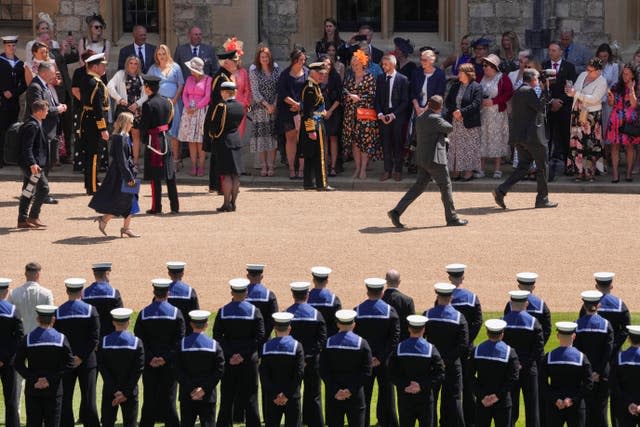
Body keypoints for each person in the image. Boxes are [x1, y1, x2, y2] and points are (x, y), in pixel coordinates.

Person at [388, 95, 469, 228]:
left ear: (428, 105)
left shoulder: (420, 118)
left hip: (422, 159)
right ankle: (452, 218)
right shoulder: (436, 119)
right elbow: (449, 128)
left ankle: (396, 212)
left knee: (417, 188)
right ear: (440, 107)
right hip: (436, 159)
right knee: (446, 186)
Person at [493, 68, 558, 209]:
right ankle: (542, 198)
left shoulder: (519, 91)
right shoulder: (528, 91)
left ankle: (501, 190)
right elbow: (541, 107)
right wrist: (546, 89)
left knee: (523, 167)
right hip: (533, 137)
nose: (538, 80)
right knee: (542, 167)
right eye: (537, 78)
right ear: (533, 79)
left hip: (521, 137)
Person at [212, 278, 265, 427]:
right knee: (251, 396)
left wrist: (231, 354)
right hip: (249, 360)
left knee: (227, 395)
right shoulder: (255, 311)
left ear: (232, 292)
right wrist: (243, 354)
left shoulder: (223, 311)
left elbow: (217, 336)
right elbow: (260, 336)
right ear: (246, 293)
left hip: (229, 361)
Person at [134, 278, 186, 427]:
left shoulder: (144, 313)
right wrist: (165, 358)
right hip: (170, 364)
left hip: (150, 364)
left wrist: (151, 357)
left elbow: (140, 340)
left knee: (149, 399)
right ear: (168, 293)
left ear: (154, 291)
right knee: (169, 399)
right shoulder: (176, 313)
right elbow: (179, 341)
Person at [15, 304, 73, 427]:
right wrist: (50, 379)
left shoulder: (28, 339)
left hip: (33, 390)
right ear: (53, 319)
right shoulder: (61, 339)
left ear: (37, 319)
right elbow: (69, 363)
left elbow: (18, 363)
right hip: (54, 390)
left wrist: (34, 379)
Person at [354, 278, 400, 427]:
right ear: (382, 292)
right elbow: (394, 337)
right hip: (385, 360)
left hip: (364, 361)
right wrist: (380, 357)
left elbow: (355, 337)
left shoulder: (357, 311)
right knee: (387, 393)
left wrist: (368, 358)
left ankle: (363, 422)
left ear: (367, 291)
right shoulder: (390, 311)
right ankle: (389, 423)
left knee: (364, 394)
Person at [54, 278, 100, 427]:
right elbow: (94, 338)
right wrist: (81, 357)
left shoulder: (58, 312)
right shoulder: (90, 310)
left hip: (66, 362)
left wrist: (71, 357)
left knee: (66, 398)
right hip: (87, 361)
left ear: (67, 291)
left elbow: (58, 339)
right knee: (89, 398)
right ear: (81, 291)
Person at [88, 112, 141, 238]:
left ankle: (123, 227)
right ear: (126, 123)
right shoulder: (119, 138)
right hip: (121, 174)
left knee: (131, 199)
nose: (132, 124)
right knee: (123, 200)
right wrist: (129, 177)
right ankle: (109, 221)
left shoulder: (124, 136)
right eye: (131, 122)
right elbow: (122, 160)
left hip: (125, 172)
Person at [424, 283, 469, 427]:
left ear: (437, 295)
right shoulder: (459, 317)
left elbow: (421, 338)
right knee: (454, 400)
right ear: (452, 297)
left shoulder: (427, 315)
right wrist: (446, 360)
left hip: (431, 364)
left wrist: (437, 360)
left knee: (430, 399)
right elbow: (463, 344)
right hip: (452, 365)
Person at [388, 314, 445, 427]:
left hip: (405, 398)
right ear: (423, 329)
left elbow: (391, 372)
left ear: (409, 328)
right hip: (425, 397)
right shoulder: (430, 349)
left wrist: (406, 384)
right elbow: (440, 373)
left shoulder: (399, 348)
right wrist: (421, 385)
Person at [320, 309, 372, 427]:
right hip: (356, 395)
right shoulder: (362, 344)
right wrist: (350, 390)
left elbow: (323, 370)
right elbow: (367, 372)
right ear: (354, 324)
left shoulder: (328, 343)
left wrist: (335, 389)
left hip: (333, 395)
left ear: (338, 324)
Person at [286, 282, 327, 427]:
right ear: (307, 295)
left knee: (293, 393)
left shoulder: (286, 314)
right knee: (314, 394)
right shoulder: (316, 314)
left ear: (293, 295)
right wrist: (308, 357)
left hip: (291, 361)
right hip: (312, 361)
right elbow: (322, 339)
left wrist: (299, 359)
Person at [447, 263, 483, 426]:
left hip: (449, 350)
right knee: (468, 385)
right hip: (467, 349)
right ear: (463, 277)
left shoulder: (444, 297)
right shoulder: (472, 298)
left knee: (450, 387)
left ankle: (449, 419)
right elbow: (477, 321)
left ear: (449, 277)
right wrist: (467, 340)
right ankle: (471, 420)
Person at [502, 290, 545, 427]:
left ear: (510, 303)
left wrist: (515, 364)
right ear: (526, 304)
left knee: (510, 407)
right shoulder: (534, 322)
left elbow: (502, 347)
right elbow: (538, 349)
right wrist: (525, 363)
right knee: (532, 407)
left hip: (509, 369)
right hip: (530, 369)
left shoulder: (503, 322)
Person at [175, 310, 225, 427]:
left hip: (187, 394)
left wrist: (191, 388)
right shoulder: (214, 345)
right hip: (207, 396)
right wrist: (203, 389)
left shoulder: (181, 344)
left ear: (191, 324)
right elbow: (219, 370)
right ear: (206, 325)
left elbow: (176, 369)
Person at [97, 308, 145, 427]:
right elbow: (138, 369)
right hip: (130, 391)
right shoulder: (136, 342)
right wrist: (125, 392)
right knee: (130, 423)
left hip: (110, 390)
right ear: (128, 322)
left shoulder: (104, 341)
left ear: (113, 322)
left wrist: (115, 390)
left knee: (107, 422)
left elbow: (103, 368)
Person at [140, 73, 179, 215]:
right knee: (170, 174)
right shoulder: (168, 102)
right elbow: (170, 121)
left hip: (154, 140)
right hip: (166, 138)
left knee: (155, 176)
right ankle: (175, 206)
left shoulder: (148, 104)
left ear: (147, 87)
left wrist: (145, 139)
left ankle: (157, 207)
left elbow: (144, 126)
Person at [541, 322, 594, 427]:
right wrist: (572, 399)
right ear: (574, 336)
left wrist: (555, 399)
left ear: (557, 336)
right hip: (576, 406)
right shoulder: (582, 358)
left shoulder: (549, 357)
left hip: (554, 406)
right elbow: (589, 384)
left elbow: (542, 383)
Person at [574, 290, 614, 427]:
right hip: (602, 374)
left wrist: (589, 373)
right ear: (599, 305)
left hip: (583, 374)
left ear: (584, 306)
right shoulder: (606, 325)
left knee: (586, 410)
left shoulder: (577, 325)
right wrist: (597, 371)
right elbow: (608, 351)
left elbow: (578, 352)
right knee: (601, 410)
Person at [470, 319, 520, 427]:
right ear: (502, 334)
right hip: (503, 402)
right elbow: (513, 377)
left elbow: (469, 376)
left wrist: (481, 395)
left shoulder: (477, 350)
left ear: (487, 333)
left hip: (482, 402)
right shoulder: (509, 352)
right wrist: (497, 396)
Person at [566, 57, 608, 181]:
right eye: (588, 69)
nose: (588, 72)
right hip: (577, 112)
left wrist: (576, 94)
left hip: (591, 116)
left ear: (599, 70)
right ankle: (579, 172)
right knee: (578, 143)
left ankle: (590, 172)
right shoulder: (583, 75)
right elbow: (576, 89)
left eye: (591, 70)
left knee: (590, 144)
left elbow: (594, 98)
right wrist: (570, 92)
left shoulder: (602, 81)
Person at [259, 312, 305, 427]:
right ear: (289, 328)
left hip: (272, 397)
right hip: (292, 396)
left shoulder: (266, 347)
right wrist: (287, 395)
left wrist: (275, 394)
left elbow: (264, 373)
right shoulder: (297, 346)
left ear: (275, 328)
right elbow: (299, 373)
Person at [342, 49, 380, 179]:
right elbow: (344, 93)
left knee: (365, 142)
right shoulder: (349, 77)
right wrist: (349, 97)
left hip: (365, 114)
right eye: (353, 65)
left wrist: (359, 98)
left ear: (363, 63)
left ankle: (363, 169)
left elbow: (372, 94)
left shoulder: (369, 77)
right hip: (350, 114)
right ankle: (357, 168)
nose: (354, 67)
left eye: (357, 64)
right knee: (354, 142)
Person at [207, 81, 244, 211]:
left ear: (225, 92)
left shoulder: (221, 107)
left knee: (227, 175)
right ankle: (233, 203)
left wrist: (212, 135)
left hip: (224, 142)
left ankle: (226, 204)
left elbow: (214, 126)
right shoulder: (240, 106)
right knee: (235, 175)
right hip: (236, 140)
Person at [204, 50, 237, 193]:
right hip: (219, 118)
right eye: (234, 61)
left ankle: (216, 184)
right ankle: (219, 185)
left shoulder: (226, 75)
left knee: (218, 153)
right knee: (219, 153)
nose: (237, 63)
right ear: (227, 62)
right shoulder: (222, 78)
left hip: (222, 116)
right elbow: (220, 101)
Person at [146, 44, 184, 171]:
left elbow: (180, 85)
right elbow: (148, 85)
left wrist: (174, 100)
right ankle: (160, 159)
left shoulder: (176, 67)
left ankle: (175, 160)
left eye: (163, 54)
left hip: (173, 104)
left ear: (167, 54)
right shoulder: (153, 68)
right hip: (159, 105)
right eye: (159, 54)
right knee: (159, 132)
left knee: (174, 133)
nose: (161, 56)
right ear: (156, 55)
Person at [477, 54, 513, 179]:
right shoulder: (481, 78)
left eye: (486, 65)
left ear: (494, 67)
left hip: (497, 114)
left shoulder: (502, 78)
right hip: (483, 114)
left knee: (497, 140)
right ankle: (481, 169)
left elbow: (508, 93)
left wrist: (494, 101)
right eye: (483, 65)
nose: (484, 68)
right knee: (482, 139)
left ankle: (497, 169)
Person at [16, 99, 51, 229]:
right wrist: (32, 164)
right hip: (32, 165)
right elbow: (27, 147)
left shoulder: (36, 122)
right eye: (46, 111)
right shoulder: (32, 125)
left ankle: (22, 220)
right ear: (40, 111)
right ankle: (33, 216)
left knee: (28, 190)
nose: (47, 113)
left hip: (33, 164)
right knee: (43, 188)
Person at [299, 62, 333, 190]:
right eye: (319, 73)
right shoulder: (309, 88)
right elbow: (308, 111)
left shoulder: (314, 86)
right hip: (314, 124)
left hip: (317, 121)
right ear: (312, 73)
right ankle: (322, 183)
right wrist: (311, 129)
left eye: (323, 74)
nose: (322, 76)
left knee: (311, 154)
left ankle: (309, 182)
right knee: (320, 154)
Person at [107, 56, 147, 166]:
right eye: (131, 63)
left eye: (135, 64)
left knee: (136, 135)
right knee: (120, 135)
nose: (133, 66)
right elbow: (109, 86)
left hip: (136, 109)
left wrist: (137, 104)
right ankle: (120, 162)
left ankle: (135, 162)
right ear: (127, 64)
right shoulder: (120, 74)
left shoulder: (142, 77)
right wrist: (119, 99)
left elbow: (146, 95)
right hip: (122, 108)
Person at [79, 53, 109, 195]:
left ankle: (90, 182)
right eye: (102, 65)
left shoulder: (88, 79)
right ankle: (93, 186)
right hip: (94, 122)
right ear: (95, 67)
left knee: (90, 154)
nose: (104, 67)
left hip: (87, 119)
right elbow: (97, 107)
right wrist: (103, 128)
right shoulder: (95, 83)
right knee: (94, 155)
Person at [446, 63, 483, 181]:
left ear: (468, 74)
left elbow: (476, 104)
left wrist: (461, 112)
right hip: (456, 122)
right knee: (456, 147)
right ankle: (456, 172)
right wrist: (454, 111)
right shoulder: (455, 86)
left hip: (469, 122)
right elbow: (448, 101)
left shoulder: (476, 87)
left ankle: (469, 172)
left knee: (469, 147)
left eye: (461, 72)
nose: (458, 74)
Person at [375, 54, 409, 182]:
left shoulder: (402, 79)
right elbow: (377, 99)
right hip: (383, 115)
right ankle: (387, 170)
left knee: (397, 143)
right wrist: (380, 114)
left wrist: (393, 115)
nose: (383, 67)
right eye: (382, 64)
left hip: (397, 116)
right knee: (386, 143)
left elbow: (405, 101)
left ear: (393, 65)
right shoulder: (380, 78)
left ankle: (398, 170)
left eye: (385, 64)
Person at [276, 48, 308, 179]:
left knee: (303, 140)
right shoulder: (284, 74)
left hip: (303, 110)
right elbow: (282, 93)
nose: (303, 62)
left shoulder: (307, 73)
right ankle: (291, 168)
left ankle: (301, 169)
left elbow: (309, 91)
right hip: (288, 111)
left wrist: (300, 105)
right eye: (301, 60)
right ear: (294, 60)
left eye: (304, 60)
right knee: (291, 139)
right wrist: (294, 104)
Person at [542, 41, 577, 162]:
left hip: (564, 107)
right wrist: (551, 101)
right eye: (549, 50)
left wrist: (560, 101)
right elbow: (541, 87)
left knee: (565, 137)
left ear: (561, 52)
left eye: (553, 50)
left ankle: (569, 164)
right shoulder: (544, 65)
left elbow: (571, 88)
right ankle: (545, 164)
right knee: (547, 137)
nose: (550, 53)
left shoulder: (569, 67)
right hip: (549, 107)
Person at [249, 45, 280, 176]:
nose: (264, 59)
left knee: (272, 138)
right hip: (260, 108)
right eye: (262, 57)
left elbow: (280, 87)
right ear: (259, 58)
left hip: (274, 106)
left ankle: (272, 165)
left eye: (266, 57)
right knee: (261, 138)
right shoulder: (254, 71)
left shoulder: (276, 69)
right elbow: (255, 91)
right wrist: (267, 105)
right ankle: (263, 165)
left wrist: (274, 105)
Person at [605, 63, 639, 182]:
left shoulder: (637, 87)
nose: (624, 76)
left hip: (630, 119)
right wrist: (610, 100)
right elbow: (611, 104)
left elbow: (634, 105)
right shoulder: (616, 86)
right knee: (615, 146)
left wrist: (631, 90)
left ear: (633, 75)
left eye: (627, 74)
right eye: (623, 74)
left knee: (630, 147)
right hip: (616, 118)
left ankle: (629, 173)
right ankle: (615, 173)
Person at [178, 57, 211, 176]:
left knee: (200, 141)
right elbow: (185, 94)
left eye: (192, 69)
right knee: (191, 141)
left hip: (201, 112)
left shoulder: (208, 80)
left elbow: (207, 97)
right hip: (188, 112)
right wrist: (187, 106)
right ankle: (193, 166)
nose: (190, 71)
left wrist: (196, 107)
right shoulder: (189, 79)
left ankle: (201, 167)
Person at [0, 36, 27, 167]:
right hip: (1, 101)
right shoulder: (0, 61)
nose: (11, 48)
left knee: (11, 129)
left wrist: (14, 93)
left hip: (13, 102)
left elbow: (24, 84)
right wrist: (3, 91)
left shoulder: (19, 64)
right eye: (9, 46)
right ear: (4, 46)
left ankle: (8, 158)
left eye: (13, 45)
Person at [504, 272, 553, 344]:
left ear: (519, 286)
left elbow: (505, 326)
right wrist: (540, 344)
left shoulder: (511, 304)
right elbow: (547, 329)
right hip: (533, 348)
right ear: (533, 287)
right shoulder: (541, 304)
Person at [0, 278, 23, 427]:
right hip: (8, 361)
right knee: (11, 399)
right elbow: (19, 336)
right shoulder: (13, 310)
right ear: (7, 291)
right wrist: (6, 357)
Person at [9, 263, 54, 334]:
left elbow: (9, 316)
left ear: (25, 274)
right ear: (38, 275)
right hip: (39, 336)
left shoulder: (13, 293)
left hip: (20, 336)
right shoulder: (47, 293)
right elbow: (51, 317)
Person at [82, 262, 123, 339]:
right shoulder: (114, 293)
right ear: (106, 274)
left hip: (91, 336)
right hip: (110, 337)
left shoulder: (84, 294)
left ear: (94, 275)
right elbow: (120, 316)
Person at [610, 325, 640, 427]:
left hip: (624, 406)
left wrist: (628, 403)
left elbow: (613, 383)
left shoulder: (619, 357)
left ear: (629, 339)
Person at [224, 37, 252, 143]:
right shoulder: (223, 72)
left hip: (240, 108)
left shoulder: (243, 72)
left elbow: (247, 90)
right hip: (226, 108)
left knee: (238, 135)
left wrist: (244, 104)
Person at [320, 54, 343, 177]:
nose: (327, 66)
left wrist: (330, 111)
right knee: (323, 139)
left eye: (329, 64)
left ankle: (333, 166)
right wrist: (322, 111)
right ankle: (324, 166)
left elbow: (339, 97)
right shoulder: (316, 76)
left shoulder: (336, 77)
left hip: (334, 112)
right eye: (324, 64)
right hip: (320, 112)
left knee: (333, 138)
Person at [244, 264, 279, 338]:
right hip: (264, 338)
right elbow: (273, 318)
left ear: (248, 276)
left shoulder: (241, 295)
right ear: (261, 277)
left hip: (246, 338)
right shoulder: (269, 295)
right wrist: (264, 336)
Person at [165, 261, 200, 335]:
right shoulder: (190, 291)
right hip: (186, 333)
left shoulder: (162, 291)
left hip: (167, 333)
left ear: (169, 273)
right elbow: (196, 313)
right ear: (182, 274)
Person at [307, 266, 342, 338]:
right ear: (327, 281)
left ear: (313, 280)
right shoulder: (333, 299)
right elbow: (338, 322)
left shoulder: (306, 299)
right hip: (329, 338)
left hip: (310, 339)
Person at [381, 269, 415, 342]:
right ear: (399, 282)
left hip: (383, 343)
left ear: (386, 281)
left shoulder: (380, 300)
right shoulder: (408, 300)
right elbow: (412, 325)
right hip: (402, 343)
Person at [597, 43, 620, 138]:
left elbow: (614, 83)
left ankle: (608, 148)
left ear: (609, 55)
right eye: (601, 56)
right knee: (598, 123)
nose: (603, 58)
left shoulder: (614, 66)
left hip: (608, 98)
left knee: (607, 123)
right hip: (596, 97)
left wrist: (605, 97)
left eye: (605, 56)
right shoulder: (595, 65)